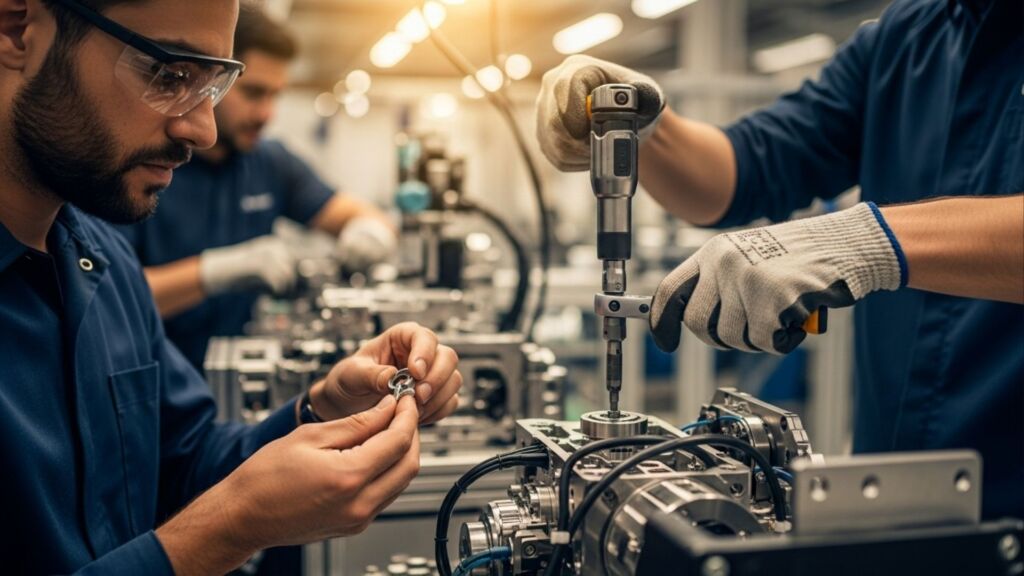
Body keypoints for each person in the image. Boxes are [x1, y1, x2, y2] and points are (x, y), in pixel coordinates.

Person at [0, 0, 461, 573]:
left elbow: (187, 460)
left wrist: (322, 411)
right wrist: (230, 526)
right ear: (18, 29)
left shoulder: (101, 261)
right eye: (167, 74)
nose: (202, 127)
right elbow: (217, 510)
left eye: (214, 84)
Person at [536, 0, 1023, 520]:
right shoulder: (910, 35)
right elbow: (745, 170)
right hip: (893, 491)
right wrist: (650, 126)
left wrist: (867, 240)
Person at [116, 3, 397, 371]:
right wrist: (217, 271)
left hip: (235, 376)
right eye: (253, 93)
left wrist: (370, 232)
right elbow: (112, 298)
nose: (267, 114)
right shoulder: (145, 163)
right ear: (213, 77)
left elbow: (359, 216)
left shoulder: (269, 163)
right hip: (151, 375)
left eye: (275, 96)